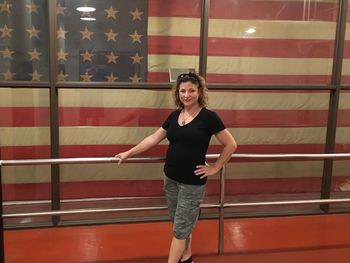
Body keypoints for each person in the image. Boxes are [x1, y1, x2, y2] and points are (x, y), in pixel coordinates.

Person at [115, 72, 237, 263]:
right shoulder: (174, 116)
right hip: (170, 178)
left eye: (191, 91)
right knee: (180, 224)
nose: (186, 95)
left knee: (180, 229)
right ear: (177, 93)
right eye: (182, 91)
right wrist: (128, 153)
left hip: (192, 183)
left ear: (199, 92)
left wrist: (215, 167)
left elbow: (231, 144)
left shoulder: (209, 117)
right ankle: (187, 257)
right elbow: (154, 138)